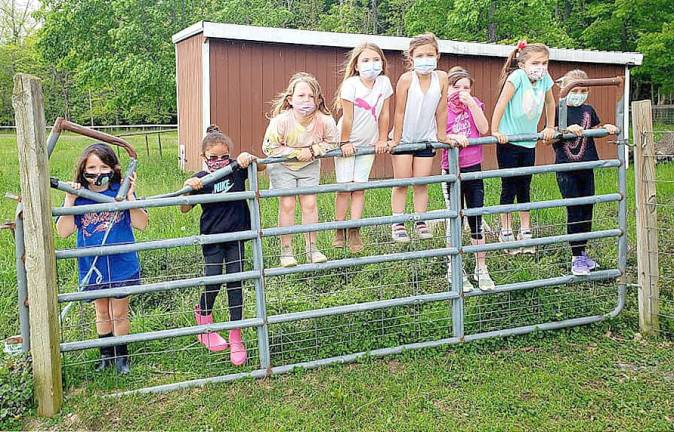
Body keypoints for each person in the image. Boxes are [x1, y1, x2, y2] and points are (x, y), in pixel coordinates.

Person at [55, 143, 148, 374]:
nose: (97, 173)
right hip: (93, 267)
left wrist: (129, 197)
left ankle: (121, 357)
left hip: (121, 265)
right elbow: (63, 231)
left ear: (113, 168)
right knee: (101, 312)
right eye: (92, 167)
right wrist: (69, 199)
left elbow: (142, 224)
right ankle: (105, 355)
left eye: (103, 166)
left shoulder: (118, 192)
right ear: (82, 170)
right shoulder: (78, 198)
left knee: (118, 312)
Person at [180, 125, 265, 365]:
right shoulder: (201, 178)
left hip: (236, 236)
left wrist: (250, 159)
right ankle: (203, 320)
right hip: (212, 239)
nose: (219, 162)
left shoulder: (237, 170)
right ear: (204, 158)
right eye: (213, 158)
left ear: (230, 154)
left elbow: (263, 167)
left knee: (235, 282)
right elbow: (184, 208)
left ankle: (235, 335)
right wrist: (190, 188)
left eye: (223, 157)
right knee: (213, 280)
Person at [262, 72, 338, 267]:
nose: (306, 100)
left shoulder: (325, 121)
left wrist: (313, 150)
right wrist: (295, 152)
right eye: (301, 96)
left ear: (318, 99)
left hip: (309, 165)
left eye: (311, 96)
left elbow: (333, 142)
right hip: (283, 165)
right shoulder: (281, 121)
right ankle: (286, 250)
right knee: (287, 204)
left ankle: (312, 247)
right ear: (290, 99)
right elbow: (269, 147)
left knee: (310, 203)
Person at [491, 40, 556, 254]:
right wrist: (495, 130)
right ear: (522, 64)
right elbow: (501, 103)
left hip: (529, 141)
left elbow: (550, 103)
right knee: (508, 186)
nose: (541, 67)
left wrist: (549, 127)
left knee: (524, 186)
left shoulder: (545, 79)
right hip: (509, 141)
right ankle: (506, 229)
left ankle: (525, 229)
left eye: (545, 62)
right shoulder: (517, 77)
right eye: (536, 62)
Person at [388, 33, 454, 243]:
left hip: (426, 136)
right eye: (420, 55)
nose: (425, 59)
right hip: (405, 137)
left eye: (429, 54)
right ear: (411, 57)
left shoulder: (441, 78)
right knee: (401, 182)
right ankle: (397, 222)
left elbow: (442, 109)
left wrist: (442, 135)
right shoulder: (407, 79)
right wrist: (396, 139)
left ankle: (420, 219)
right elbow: (399, 111)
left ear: (437, 55)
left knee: (421, 182)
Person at [554, 70, 619, 275]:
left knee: (587, 210)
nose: (579, 94)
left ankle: (582, 253)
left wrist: (606, 128)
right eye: (576, 89)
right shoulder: (558, 109)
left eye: (584, 90)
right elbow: (550, 135)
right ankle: (575, 258)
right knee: (574, 211)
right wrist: (564, 129)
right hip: (567, 169)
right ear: (564, 88)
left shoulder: (588, 110)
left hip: (587, 166)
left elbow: (596, 128)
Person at [332, 42, 394, 253]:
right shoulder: (351, 85)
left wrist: (382, 138)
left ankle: (355, 228)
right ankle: (339, 227)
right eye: (366, 60)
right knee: (344, 187)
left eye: (376, 60)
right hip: (348, 139)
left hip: (369, 140)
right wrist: (345, 142)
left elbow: (384, 113)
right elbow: (347, 117)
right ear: (356, 65)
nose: (372, 64)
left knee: (359, 187)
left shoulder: (384, 83)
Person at [441, 66, 495, 291]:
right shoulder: (442, 109)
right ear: (447, 89)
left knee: (475, 217)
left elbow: (483, 128)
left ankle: (481, 268)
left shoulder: (475, 105)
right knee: (455, 219)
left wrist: (472, 104)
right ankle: (454, 269)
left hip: (474, 168)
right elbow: (438, 135)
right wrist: (451, 136)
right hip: (452, 170)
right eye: (456, 87)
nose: (461, 91)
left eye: (466, 87)